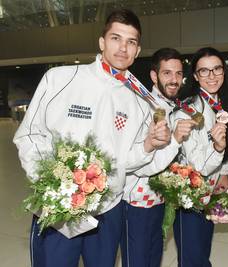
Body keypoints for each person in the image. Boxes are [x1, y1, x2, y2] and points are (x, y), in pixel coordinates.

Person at [13, 9, 171, 267]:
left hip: (108, 210)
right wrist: (53, 186)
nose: (123, 48)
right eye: (115, 38)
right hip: (60, 209)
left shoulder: (141, 102)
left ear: (138, 50)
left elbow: (126, 161)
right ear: (101, 42)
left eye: (131, 42)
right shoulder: (60, 79)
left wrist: (148, 145)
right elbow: (30, 134)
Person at [122, 48, 196, 267]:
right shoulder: (141, 106)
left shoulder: (174, 106)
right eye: (167, 73)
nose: (174, 80)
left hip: (161, 200)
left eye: (178, 73)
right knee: (137, 261)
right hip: (137, 202)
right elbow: (140, 166)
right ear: (154, 76)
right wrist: (175, 140)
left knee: (154, 259)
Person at [172, 47, 228, 267]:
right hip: (190, 197)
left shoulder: (223, 104)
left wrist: (224, 172)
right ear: (196, 76)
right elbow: (197, 164)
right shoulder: (188, 111)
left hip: (211, 191)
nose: (212, 76)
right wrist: (217, 149)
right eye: (204, 71)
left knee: (202, 251)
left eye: (217, 69)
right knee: (192, 258)